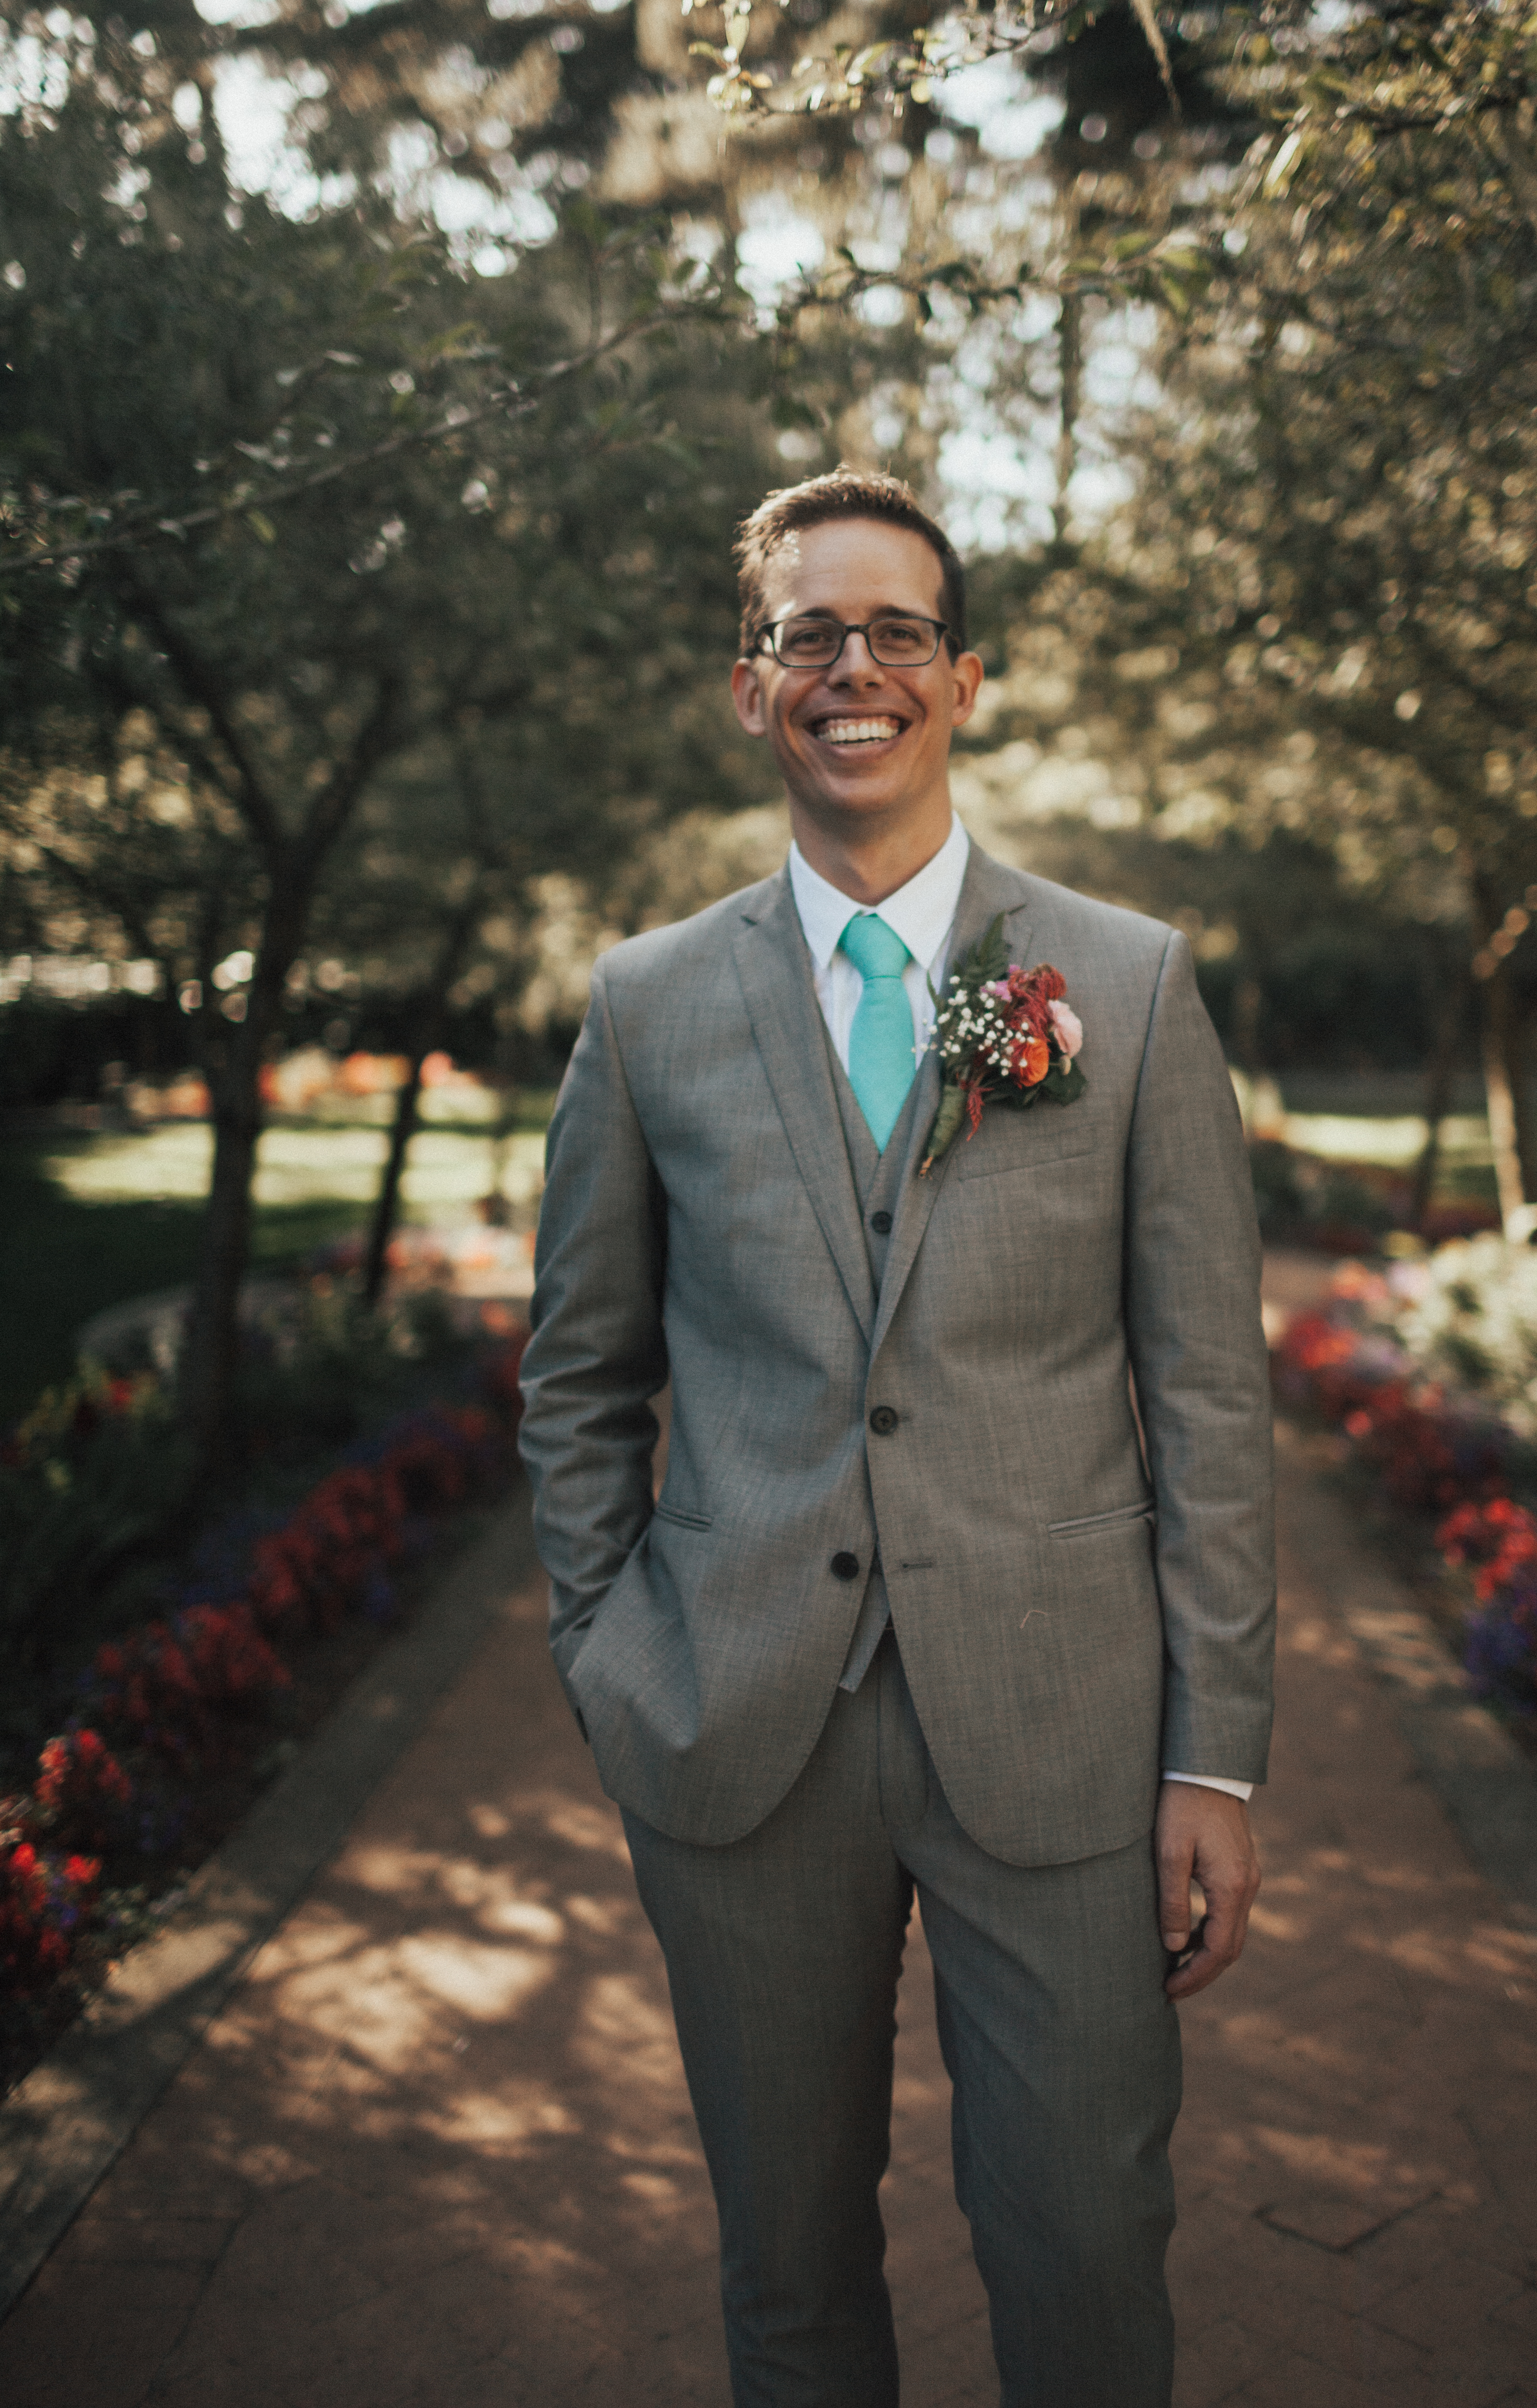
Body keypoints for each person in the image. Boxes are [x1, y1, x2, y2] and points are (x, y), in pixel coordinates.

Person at [520, 467, 1275, 2408]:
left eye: (897, 632)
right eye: (809, 634)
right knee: (787, 2270)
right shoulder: (650, 1004)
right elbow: (581, 1371)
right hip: (739, 1726)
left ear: (968, 678)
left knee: (1089, 2252)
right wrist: (608, 1652)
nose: (854, 670)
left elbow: (1205, 1389)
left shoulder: (1121, 983)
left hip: (1067, 1731)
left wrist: (1217, 1753)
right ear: (751, 685)